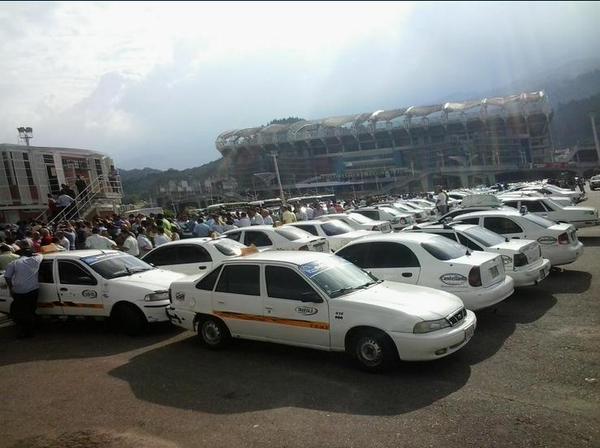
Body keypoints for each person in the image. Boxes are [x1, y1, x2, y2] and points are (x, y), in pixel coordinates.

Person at [4, 240, 43, 338]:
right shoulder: (36, 260)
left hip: (19, 291)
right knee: (31, 310)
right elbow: (39, 254)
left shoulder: (14, 263)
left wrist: (11, 288)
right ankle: (32, 329)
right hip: (33, 290)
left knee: (22, 313)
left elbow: (7, 277)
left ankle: (26, 332)